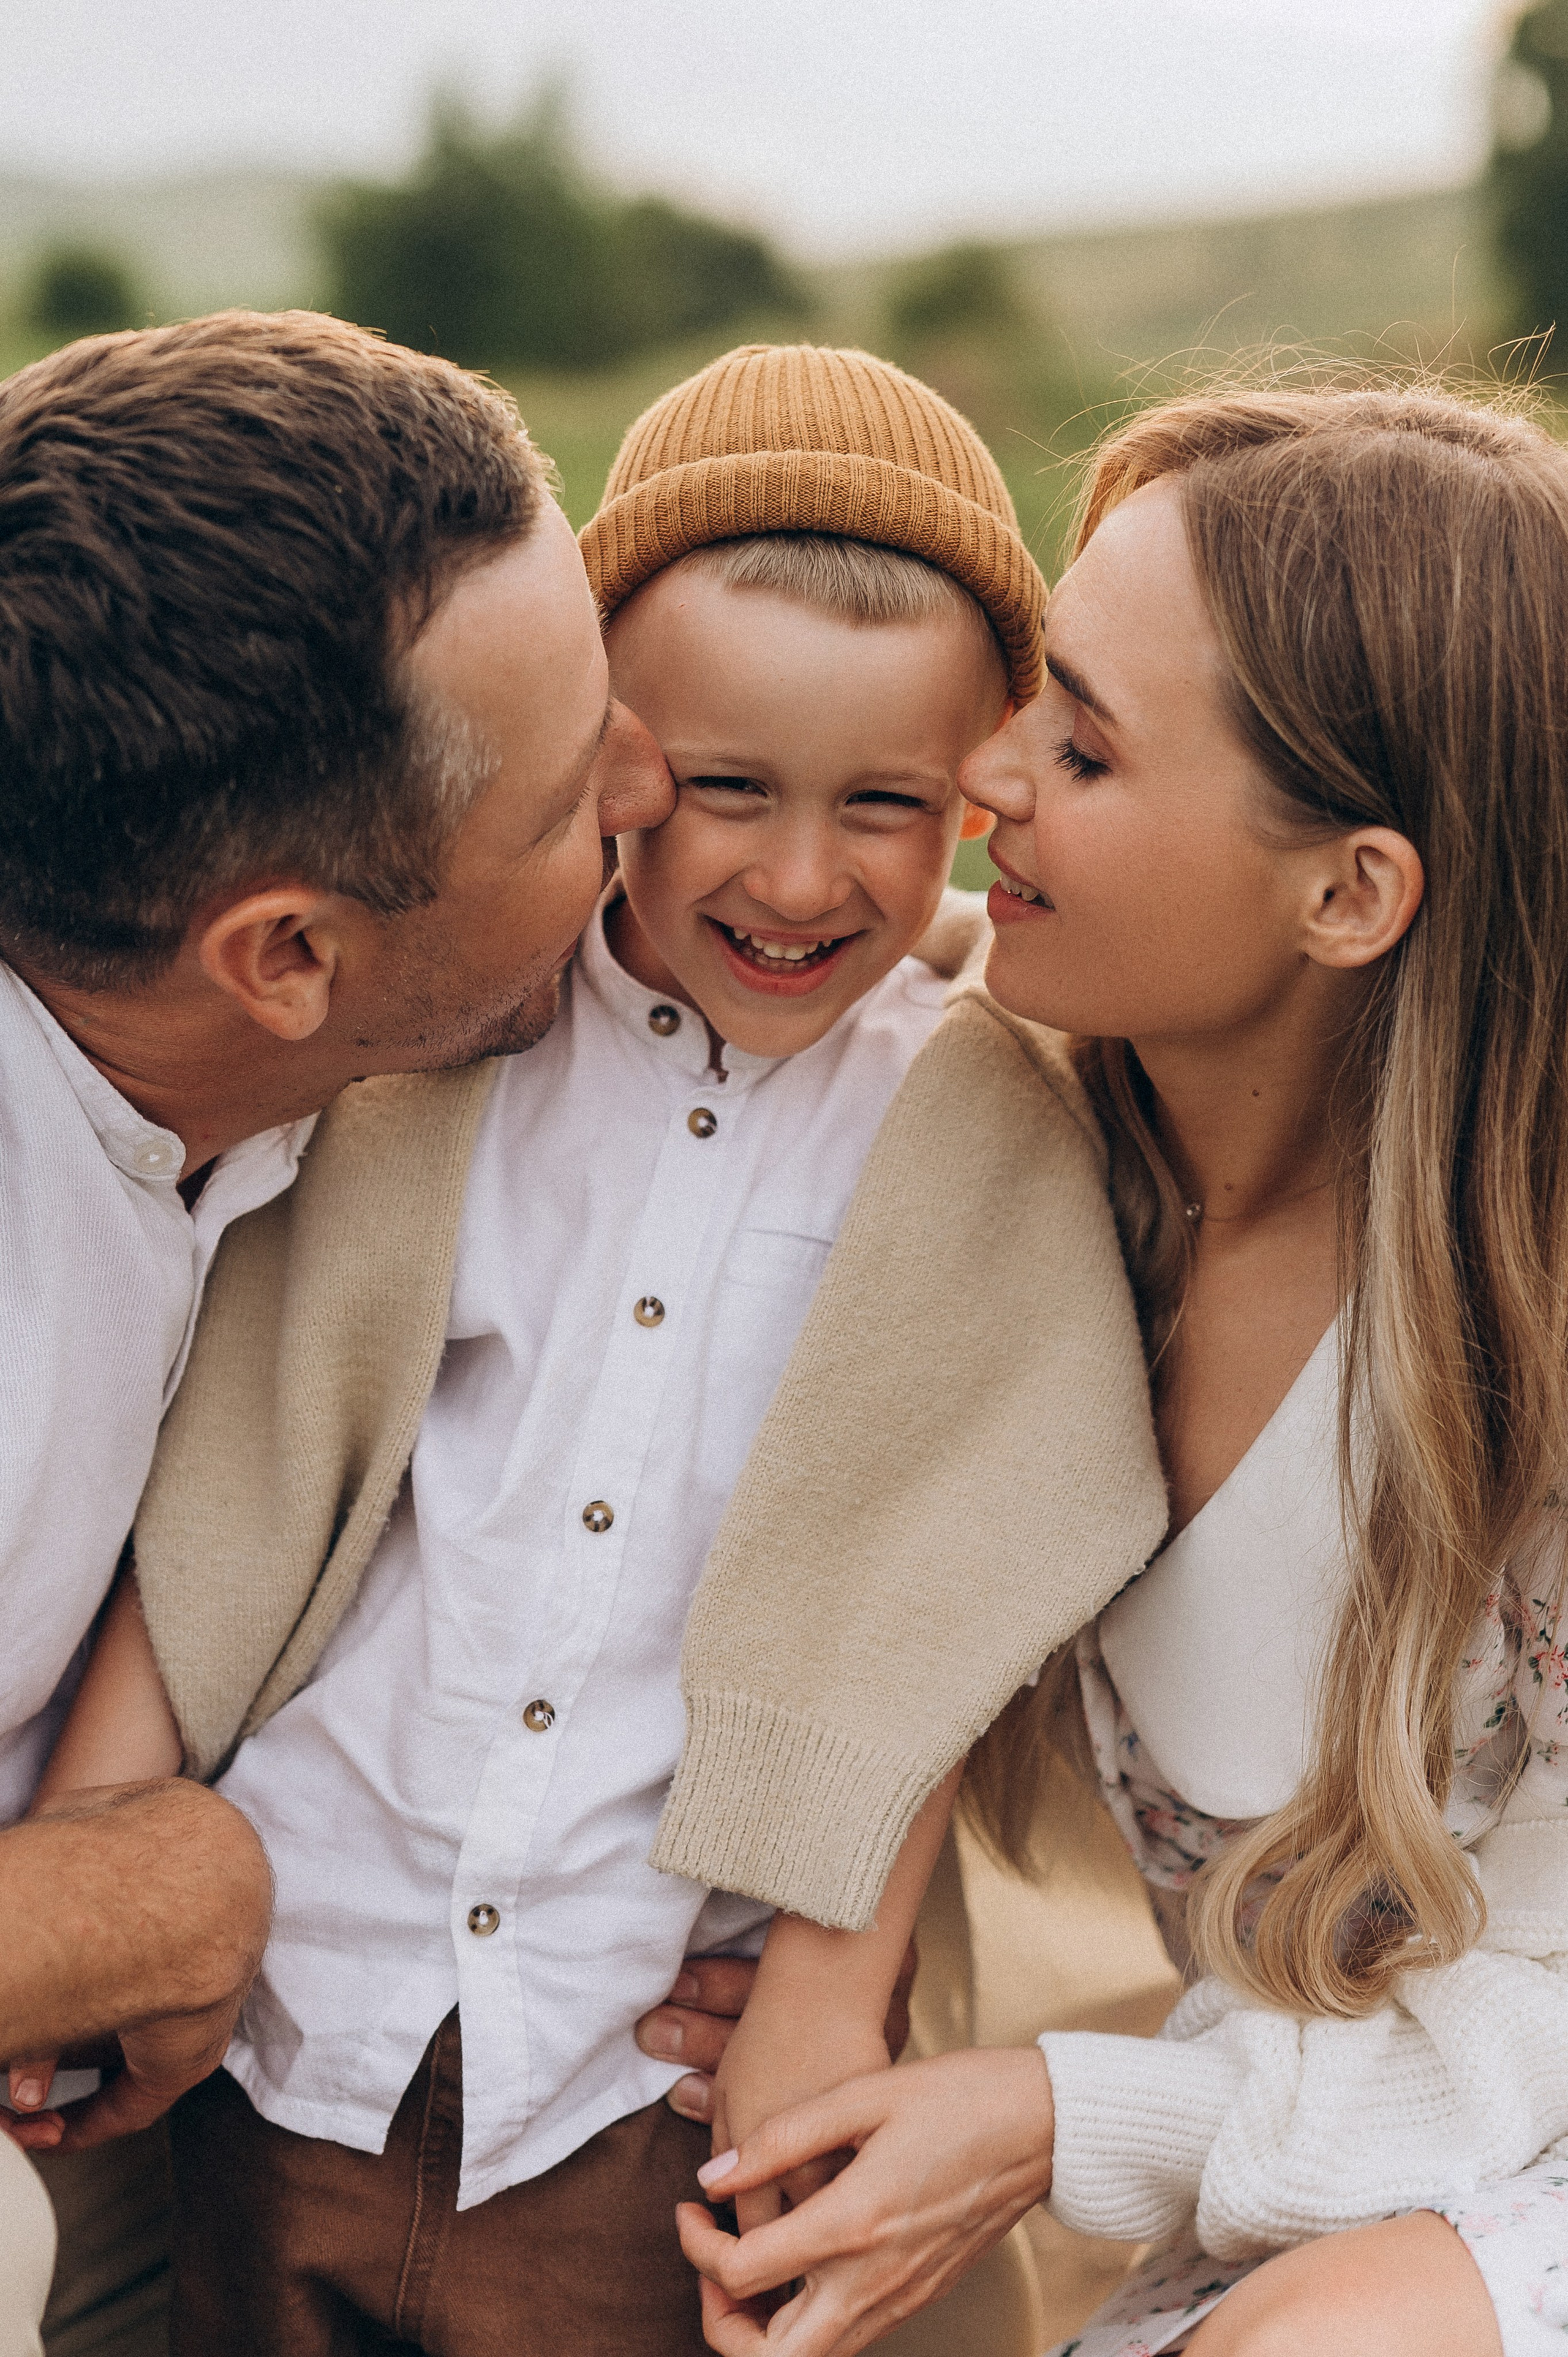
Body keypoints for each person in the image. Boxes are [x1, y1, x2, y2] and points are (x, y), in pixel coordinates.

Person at [35, 342, 1168, 2355]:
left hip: (635, 2062)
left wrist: (834, 1971)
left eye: (885, 808)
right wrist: (111, 1846)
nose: (797, 875)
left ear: (977, 786)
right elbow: (255, 1447)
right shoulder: (436, 1062)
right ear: (623, 753)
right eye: (706, 783)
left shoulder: (981, 1113)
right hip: (310, 1992)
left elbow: (944, 1562)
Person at [673, 379, 1568, 2357]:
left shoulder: (1539, 1328)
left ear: (1352, 892)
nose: (984, 770)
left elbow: (1550, 2018)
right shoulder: (1013, 1140)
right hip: (1288, 2160)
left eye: (1082, 741)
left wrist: (1065, 2119)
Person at [0, 305, 673, 2348]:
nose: (654, 783)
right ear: (285, 955)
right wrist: (151, 1895)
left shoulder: (234, 1087)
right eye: (571, 799)